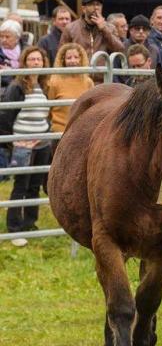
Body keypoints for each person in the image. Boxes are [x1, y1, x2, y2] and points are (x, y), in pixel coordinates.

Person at [0, 47, 51, 246]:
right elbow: (5, 116)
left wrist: (46, 133)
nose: (36, 63)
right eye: (32, 59)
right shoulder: (17, 86)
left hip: (42, 143)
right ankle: (14, 227)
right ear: (25, 62)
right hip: (23, 143)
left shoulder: (45, 84)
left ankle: (30, 223)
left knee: (34, 185)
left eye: (39, 59)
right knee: (21, 185)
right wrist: (12, 141)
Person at [59, 0, 125, 82]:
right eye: (91, 4)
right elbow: (61, 54)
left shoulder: (109, 28)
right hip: (79, 79)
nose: (96, 8)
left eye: (98, 5)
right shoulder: (71, 28)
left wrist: (104, 29)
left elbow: (120, 49)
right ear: (83, 8)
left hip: (102, 80)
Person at [48, 43, 94, 135]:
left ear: (81, 59)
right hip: (60, 131)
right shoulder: (54, 81)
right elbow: (49, 108)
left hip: (81, 131)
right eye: (69, 58)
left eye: (76, 57)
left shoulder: (88, 82)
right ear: (63, 60)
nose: (73, 61)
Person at [0, 19, 24, 87]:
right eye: (1, 36)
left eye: (7, 37)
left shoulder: (26, 51)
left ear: (17, 38)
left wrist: (10, 72)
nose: (3, 40)